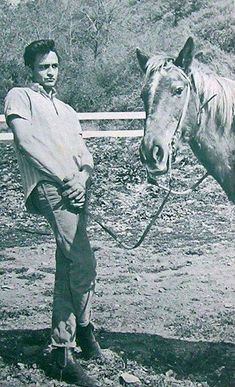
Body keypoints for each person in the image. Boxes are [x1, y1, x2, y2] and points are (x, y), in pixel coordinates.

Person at [4, 39, 102, 387]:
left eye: (55, 66)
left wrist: (82, 177)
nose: (50, 72)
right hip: (50, 186)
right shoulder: (20, 96)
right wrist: (65, 178)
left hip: (77, 187)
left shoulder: (67, 109)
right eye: (44, 66)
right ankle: (83, 332)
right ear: (31, 67)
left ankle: (64, 351)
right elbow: (26, 142)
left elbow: (85, 155)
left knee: (68, 263)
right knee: (83, 261)